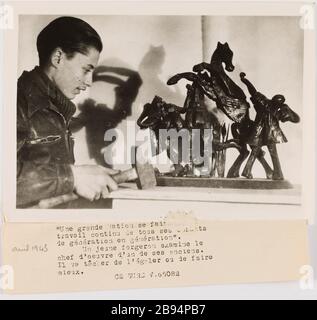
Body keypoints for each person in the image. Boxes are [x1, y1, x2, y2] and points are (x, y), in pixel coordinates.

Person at [17, 16, 119, 208]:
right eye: (86, 69)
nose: (89, 81)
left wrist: (87, 175)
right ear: (58, 57)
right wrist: (72, 177)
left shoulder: (56, 109)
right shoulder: (15, 102)